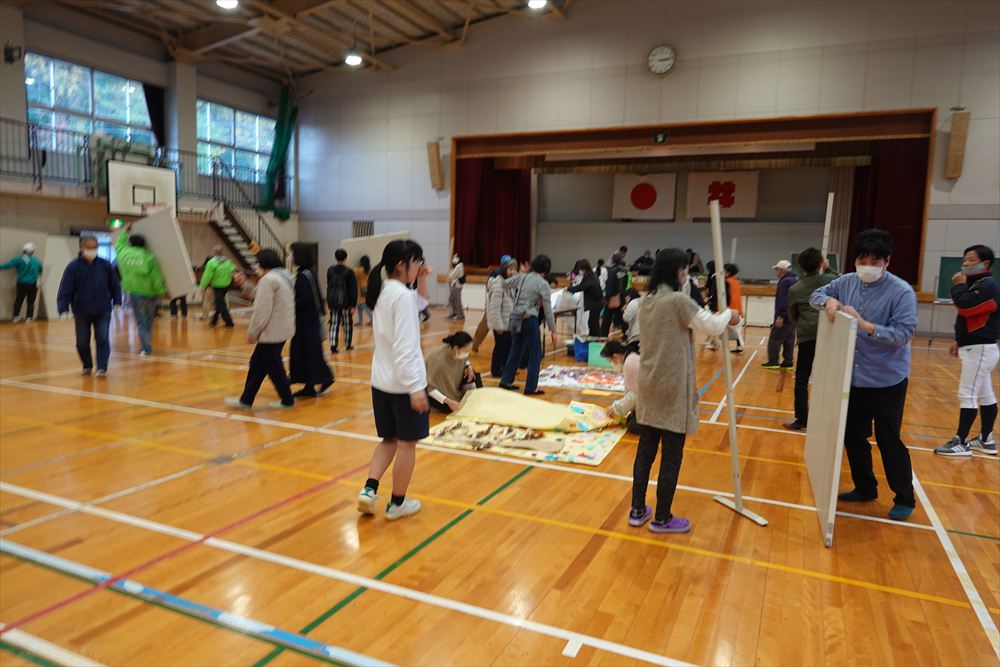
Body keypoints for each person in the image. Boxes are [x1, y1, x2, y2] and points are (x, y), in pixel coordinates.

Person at [811, 229, 918, 521]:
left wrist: (865, 325)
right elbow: (816, 295)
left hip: (886, 379)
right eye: (862, 260)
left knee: (888, 439)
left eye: (875, 261)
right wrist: (828, 302)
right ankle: (865, 487)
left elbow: (903, 334)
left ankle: (904, 497)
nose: (867, 266)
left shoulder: (901, 292)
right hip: (852, 377)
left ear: (887, 261)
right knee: (853, 435)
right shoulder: (846, 282)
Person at [630, 248, 738, 533]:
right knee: (671, 454)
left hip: (649, 384)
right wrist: (730, 313)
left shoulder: (647, 299)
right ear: (677, 271)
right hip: (672, 386)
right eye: (684, 270)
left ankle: (637, 510)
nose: (686, 275)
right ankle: (662, 518)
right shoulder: (677, 301)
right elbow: (712, 326)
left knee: (645, 451)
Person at [357, 239, 431, 521]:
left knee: (389, 440)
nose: (420, 266)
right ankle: (397, 503)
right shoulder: (401, 296)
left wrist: (421, 280)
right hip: (403, 385)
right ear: (402, 264)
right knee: (407, 445)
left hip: (381, 381)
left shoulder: (385, 290)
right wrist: (415, 389)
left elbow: (420, 303)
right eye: (417, 262)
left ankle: (369, 490)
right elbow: (405, 347)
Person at [935, 244, 999, 456]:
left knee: (967, 394)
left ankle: (961, 442)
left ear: (985, 263)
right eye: (964, 259)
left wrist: (958, 286)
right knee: (985, 395)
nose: (965, 263)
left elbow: (966, 307)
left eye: (971, 259)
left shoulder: (987, 286)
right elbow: (971, 318)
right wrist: (959, 340)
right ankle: (986, 440)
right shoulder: (976, 285)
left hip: (980, 349)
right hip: (978, 347)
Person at [225, 249, 296, 410]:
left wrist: (253, 332)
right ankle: (246, 399)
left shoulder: (268, 280)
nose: (256, 266)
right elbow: (258, 295)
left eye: (257, 263)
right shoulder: (285, 276)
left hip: (271, 331)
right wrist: (244, 283)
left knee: (274, 367)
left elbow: (262, 310)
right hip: (282, 329)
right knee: (257, 364)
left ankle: (287, 400)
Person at [784, 248, 838, 431]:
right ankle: (831, 419)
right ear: (821, 263)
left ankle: (802, 419)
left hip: (807, 336)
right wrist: (828, 268)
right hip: (830, 334)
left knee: (802, 378)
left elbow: (792, 315)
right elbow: (840, 279)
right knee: (831, 378)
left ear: (801, 266)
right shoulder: (831, 280)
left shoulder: (795, 289)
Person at [57, 236, 121, 377]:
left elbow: (115, 285)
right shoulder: (73, 267)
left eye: (95, 248)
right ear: (82, 248)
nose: (93, 250)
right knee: (81, 342)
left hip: (103, 310)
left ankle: (102, 368)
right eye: (89, 248)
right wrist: (63, 308)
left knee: (102, 338)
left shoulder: (105, 265)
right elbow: (65, 288)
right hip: (82, 311)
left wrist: (117, 301)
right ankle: (87, 364)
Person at [499, 254, 558, 395]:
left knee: (516, 348)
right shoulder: (543, 284)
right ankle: (531, 387)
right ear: (546, 269)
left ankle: (505, 381)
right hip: (528, 317)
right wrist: (553, 330)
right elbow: (548, 310)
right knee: (535, 353)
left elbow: (504, 284)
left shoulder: (522, 276)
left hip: (515, 316)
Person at [290, 243, 335, 398]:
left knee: (308, 353)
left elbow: (305, 300)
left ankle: (324, 378)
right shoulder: (308, 272)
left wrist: (289, 303)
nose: (290, 257)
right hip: (309, 321)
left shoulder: (304, 275)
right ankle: (310, 385)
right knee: (310, 353)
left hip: (306, 322)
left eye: (292, 254)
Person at [115, 224, 166, 355]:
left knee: (141, 321)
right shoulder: (149, 257)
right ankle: (146, 346)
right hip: (150, 293)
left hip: (135, 293)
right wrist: (162, 292)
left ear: (130, 243)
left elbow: (119, 243)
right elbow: (156, 277)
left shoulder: (123, 253)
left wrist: (125, 231)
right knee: (148, 320)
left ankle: (146, 348)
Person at [426, 331, 482, 412]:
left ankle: (470, 399)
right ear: (456, 348)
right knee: (452, 409)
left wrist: (468, 365)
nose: (467, 353)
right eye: (466, 351)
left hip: (453, 385)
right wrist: (448, 401)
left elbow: (465, 359)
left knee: (473, 375)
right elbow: (429, 388)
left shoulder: (457, 351)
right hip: (435, 394)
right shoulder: (438, 361)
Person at [761, 259, 798, 370]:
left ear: (781, 270)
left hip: (784, 316)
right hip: (793, 315)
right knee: (789, 339)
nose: (775, 272)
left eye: (776, 270)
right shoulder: (795, 280)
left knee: (775, 338)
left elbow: (783, 301)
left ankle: (773, 361)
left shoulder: (784, 282)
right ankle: (788, 362)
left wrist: (780, 316)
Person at [601, 339, 641, 434]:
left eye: (610, 361)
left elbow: (635, 394)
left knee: (633, 425)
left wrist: (616, 408)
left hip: (651, 406)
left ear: (615, 356)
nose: (611, 364)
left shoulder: (630, 363)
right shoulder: (631, 358)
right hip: (645, 402)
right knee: (629, 419)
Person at [486, 258, 517, 377]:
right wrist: (498, 326)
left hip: (508, 322)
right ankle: (496, 370)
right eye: (510, 269)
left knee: (508, 346)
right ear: (504, 269)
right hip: (500, 323)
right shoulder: (498, 285)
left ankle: (505, 368)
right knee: (500, 346)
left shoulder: (510, 284)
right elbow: (494, 308)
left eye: (514, 269)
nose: (512, 272)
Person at [473, 255, 511, 353]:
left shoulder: (510, 273)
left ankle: (504, 347)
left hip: (505, 305)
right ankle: (475, 344)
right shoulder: (496, 272)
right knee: (486, 324)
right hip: (495, 304)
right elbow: (489, 286)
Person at [1, 242, 43, 323]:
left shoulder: (19, 259)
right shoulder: (37, 261)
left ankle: (15, 317)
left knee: (19, 300)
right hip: (33, 285)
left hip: (22, 284)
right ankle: (29, 318)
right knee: (31, 302)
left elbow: (8, 265)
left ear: (23, 250)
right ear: (33, 251)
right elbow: (40, 272)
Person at [326, 248, 358, 353]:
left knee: (334, 323)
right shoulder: (349, 272)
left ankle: (333, 345)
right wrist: (353, 305)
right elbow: (352, 289)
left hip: (334, 302)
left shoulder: (330, 270)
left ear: (336, 257)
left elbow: (328, 285)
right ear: (345, 257)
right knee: (347, 324)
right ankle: (347, 344)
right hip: (346, 303)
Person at [200, 246, 236, 328]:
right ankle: (214, 320)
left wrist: (203, 285)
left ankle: (229, 322)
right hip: (227, 285)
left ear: (214, 252)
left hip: (217, 286)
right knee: (219, 302)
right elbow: (233, 270)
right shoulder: (228, 261)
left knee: (221, 304)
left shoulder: (211, 263)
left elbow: (207, 276)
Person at [567, 259, 603, 337]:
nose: (580, 271)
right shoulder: (590, 275)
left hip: (595, 303)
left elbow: (581, 287)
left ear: (584, 268)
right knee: (592, 322)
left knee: (593, 324)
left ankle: (597, 339)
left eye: (580, 269)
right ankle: (593, 337)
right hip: (595, 302)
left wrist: (569, 289)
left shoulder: (589, 276)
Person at [602, 253, 628, 336]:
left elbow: (610, 285)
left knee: (607, 319)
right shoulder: (624, 270)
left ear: (612, 260)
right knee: (621, 319)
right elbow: (625, 283)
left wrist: (606, 298)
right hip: (621, 296)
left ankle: (604, 336)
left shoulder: (612, 271)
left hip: (613, 297)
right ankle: (622, 336)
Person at [724, 263, 745, 352]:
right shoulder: (736, 281)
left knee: (736, 330)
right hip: (738, 308)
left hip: (731, 308)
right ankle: (740, 346)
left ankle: (741, 345)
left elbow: (727, 297)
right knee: (737, 329)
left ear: (728, 272)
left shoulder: (727, 282)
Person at [355, 255, 372, 326]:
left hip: (362, 289)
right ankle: (360, 321)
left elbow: (352, 270)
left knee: (363, 305)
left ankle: (373, 317)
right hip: (367, 288)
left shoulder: (359, 270)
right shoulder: (368, 269)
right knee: (359, 306)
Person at [448, 253, 465, 320]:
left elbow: (452, 275)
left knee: (457, 300)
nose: (453, 259)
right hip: (454, 284)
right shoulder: (457, 266)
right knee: (451, 299)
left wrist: (451, 271)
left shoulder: (459, 266)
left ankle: (460, 315)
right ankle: (453, 312)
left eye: (455, 257)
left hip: (457, 285)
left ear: (458, 258)